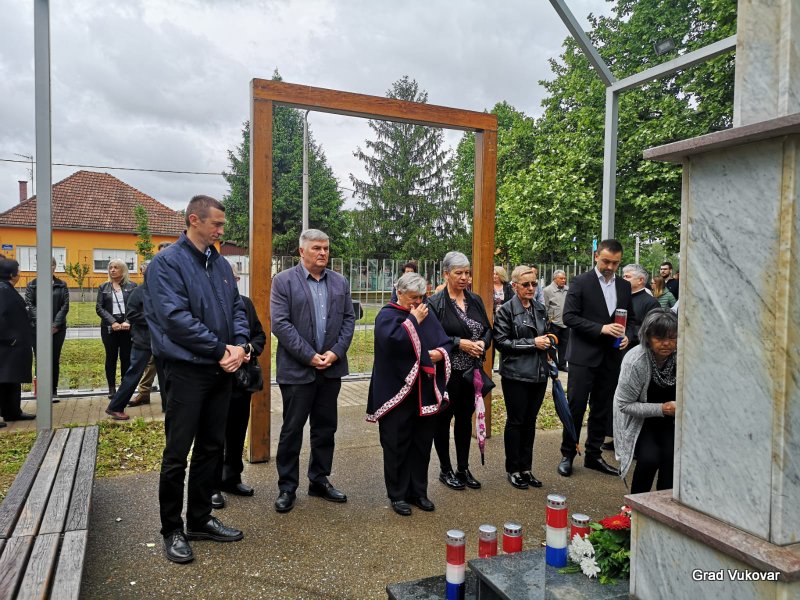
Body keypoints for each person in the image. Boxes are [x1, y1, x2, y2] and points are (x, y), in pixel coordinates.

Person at [145, 195, 249, 564]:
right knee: (177, 454)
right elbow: (174, 319)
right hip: (187, 371)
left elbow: (237, 307)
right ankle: (172, 529)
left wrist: (240, 345)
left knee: (211, 447)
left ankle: (201, 518)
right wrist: (220, 350)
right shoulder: (167, 263)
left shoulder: (219, 263)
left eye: (222, 224)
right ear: (194, 220)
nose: (221, 230)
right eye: (216, 224)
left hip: (221, 370)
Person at [271, 229, 356, 514]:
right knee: (292, 430)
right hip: (298, 371)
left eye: (326, 248)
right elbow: (280, 324)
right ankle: (287, 486)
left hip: (330, 369)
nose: (323, 253)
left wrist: (336, 352)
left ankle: (319, 479)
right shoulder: (283, 281)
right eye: (317, 248)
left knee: (325, 429)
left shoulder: (340, 282)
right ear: (301, 251)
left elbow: (348, 320)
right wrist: (309, 356)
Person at [366, 272, 452, 515]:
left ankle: (419, 492)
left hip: (423, 392)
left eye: (421, 297)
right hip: (396, 392)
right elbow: (393, 343)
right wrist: (413, 320)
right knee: (396, 445)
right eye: (413, 297)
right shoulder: (387, 315)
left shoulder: (425, 312)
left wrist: (440, 354)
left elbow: (444, 341)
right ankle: (398, 495)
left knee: (421, 444)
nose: (417, 302)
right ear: (399, 292)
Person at [558, 239, 635, 478]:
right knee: (576, 406)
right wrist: (601, 329)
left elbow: (631, 320)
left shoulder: (624, 286)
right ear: (596, 256)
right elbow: (569, 317)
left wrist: (628, 337)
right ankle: (568, 454)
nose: (610, 267)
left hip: (611, 357)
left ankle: (594, 454)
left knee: (602, 407)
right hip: (583, 356)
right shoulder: (581, 282)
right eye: (606, 261)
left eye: (615, 263)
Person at [427, 251, 492, 491]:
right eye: (459, 273)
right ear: (446, 274)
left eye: (467, 273)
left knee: (465, 420)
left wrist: (483, 342)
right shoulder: (435, 303)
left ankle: (463, 468)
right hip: (447, 373)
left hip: (470, 373)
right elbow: (432, 337)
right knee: (443, 421)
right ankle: (445, 469)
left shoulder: (474, 300)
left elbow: (488, 329)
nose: (464, 277)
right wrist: (459, 343)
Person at [211, 265, 267, 509]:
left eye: (232, 278)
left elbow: (260, 336)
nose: (228, 283)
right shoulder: (207, 305)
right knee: (213, 436)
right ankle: (212, 485)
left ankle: (232, 478)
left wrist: (247, 349)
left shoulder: (245, 303)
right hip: (214, 380)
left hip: (241, 382)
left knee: (236, 433)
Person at [493, 265, 551, 490]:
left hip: (539, 373)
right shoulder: (506, 310)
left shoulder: (540, 308)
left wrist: (550, 343)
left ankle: (526, 468)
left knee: (530, 421)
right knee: (516, 421)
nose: (530, 288)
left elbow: (546, 334)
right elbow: (501, 343)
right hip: (516, 374)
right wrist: (532, 343)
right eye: (525, 284)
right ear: (514, 285)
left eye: (534, 284)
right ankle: (513, 469)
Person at [613, 309, 678, 493]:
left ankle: (664, 504)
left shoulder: (682, 356)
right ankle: (637, 505)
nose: (667, 343)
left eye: (672, 338)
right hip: (641, 420)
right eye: (659, 338)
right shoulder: (635, 361)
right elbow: (624, 404)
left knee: (672, 458)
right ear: (648, 337)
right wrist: (662, 409)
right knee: (649, 459)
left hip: (672, 418)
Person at [104, 261, 167, 421]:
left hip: (161, 340)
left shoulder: (163, 291)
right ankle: (115, 407)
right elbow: (131, 314)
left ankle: (168, 407)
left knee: (165, 374)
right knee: (134, 374)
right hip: (143, 340)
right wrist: (154, 319)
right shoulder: (138, 292)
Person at [131, 241, 172, 409]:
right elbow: (136, 311)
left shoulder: (175, 280)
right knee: (150, 364)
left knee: (166, 369)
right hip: (149, 335)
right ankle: (144, 393)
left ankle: (167, 404)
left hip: (172, 334)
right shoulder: (144, 288)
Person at [25, 256, 69, 399]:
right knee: (40, 360)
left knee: (54, 359)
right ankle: (42, 392)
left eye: (50, 265)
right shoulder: (32, 285)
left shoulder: (62, 285)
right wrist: (43, 325)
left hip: (58, 330)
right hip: (37, 329)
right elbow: (30, 305)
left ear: (54, 267)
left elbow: (65, 306)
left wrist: (55, 325)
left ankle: (53, 391)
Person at [0, 258, 35, 424]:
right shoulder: (2, 290)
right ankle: (9, 411)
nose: (20, 273)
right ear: (12, 274)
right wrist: (9, 338)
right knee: (3, 380)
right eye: (18, 270)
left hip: (13, 346)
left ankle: (12, 411)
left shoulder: (7, 288)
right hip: (7, 345)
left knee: (12, 379)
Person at [96, 259, 136, 399]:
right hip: (109, 328)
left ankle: (124, 389)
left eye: (116, 267)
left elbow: (136, 306)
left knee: (126, 358)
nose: (112, 270)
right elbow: (99, 308)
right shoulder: (103, 287)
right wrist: (112, 322)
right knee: (111, 357)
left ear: (123, 270)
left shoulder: (132, 286)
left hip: (127, 328)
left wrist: (128, 321)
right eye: (111, 267)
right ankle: (112, 389)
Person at [621, 264, 660, 348]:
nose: (623, 279)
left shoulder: (651, 303)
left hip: (636, 348)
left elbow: (651, 329)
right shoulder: (621, 297)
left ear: (640, 280)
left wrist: (627, 333)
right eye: (623, 276)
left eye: (627, 277)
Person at [542, 269, 569, 372]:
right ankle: (553, 364)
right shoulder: (547, 290)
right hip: (553, 323)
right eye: (561, 278)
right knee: (552, 345)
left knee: (564, 345)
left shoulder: (567, 289)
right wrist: (547, 321)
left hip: (565, 322)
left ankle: (562, 365)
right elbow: (545, 307)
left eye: (564, 278)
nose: (563, 280)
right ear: (555, 279)